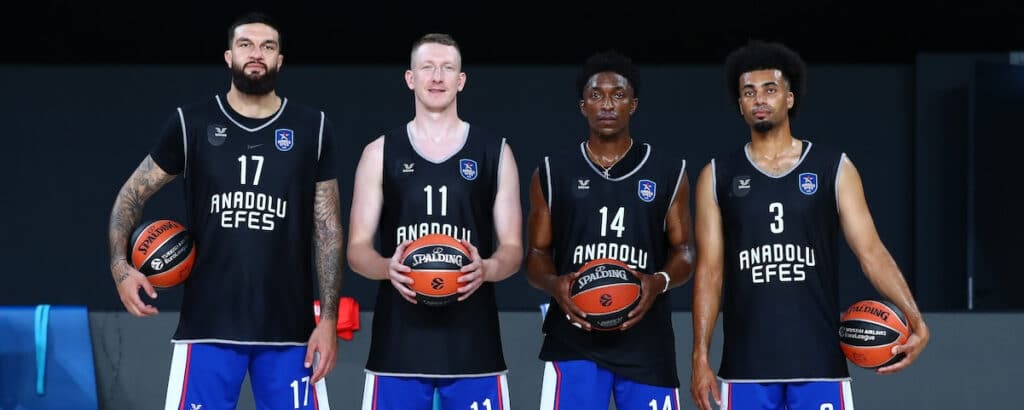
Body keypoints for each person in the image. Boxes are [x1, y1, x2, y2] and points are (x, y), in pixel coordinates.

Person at [106, 12, 342, 410]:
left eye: (268, 47)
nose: (257, 54)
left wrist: (329, 320)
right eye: (246, 45)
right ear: (229, 56)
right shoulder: (191, 123)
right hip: (207, 326)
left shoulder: (313, 128)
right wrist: (120, 266)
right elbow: (131, 195)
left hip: (291, 331)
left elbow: (328, 228)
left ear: (280, 60)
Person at [689, 39, 931, 410]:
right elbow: (709, 272)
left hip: (820, 364)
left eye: (770, 89)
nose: (759, 99)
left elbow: (871, 252)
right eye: (749, 92)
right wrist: (700, 355)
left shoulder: (834, 167)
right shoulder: (716, 175)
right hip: (745, 367)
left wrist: (915, 319)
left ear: (789, 98)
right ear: (739, 104)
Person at [346, 33, 522, 410]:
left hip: (474, 345)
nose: (437, 77)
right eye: (427, 67)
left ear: (461, 80)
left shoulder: (495, 152)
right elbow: (357, 249)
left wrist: (488, 268)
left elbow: (512, 248)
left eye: (447, 68)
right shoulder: (379, 152)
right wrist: (386, 267)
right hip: (398, 347)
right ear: (410, 78)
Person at [526, 50, 694, 410]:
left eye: (618, 95)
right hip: (574, 339)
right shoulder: (552, 172)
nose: (606, 104)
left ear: (633, 105)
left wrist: (658, 282)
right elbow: (536, 254)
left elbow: (685, 252)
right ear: (582, 106)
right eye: (596, 95)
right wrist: (554, 284)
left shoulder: (668, 171)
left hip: (647, 342)